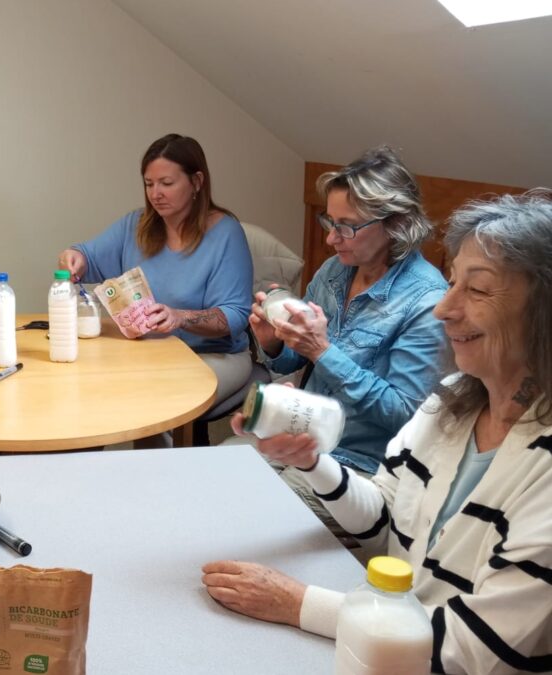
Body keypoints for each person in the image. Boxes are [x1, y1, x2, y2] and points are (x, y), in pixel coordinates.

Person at [203, 191, 552, 675]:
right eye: (453, 283)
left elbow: (474, 651)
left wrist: (297, 603)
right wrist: (313, 462)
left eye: (476, 290)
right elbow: (384, 525)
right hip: (384, 640)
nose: (443, 309)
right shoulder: (451, 403)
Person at [246, 146, 447, 544]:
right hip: (300, 439)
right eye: (329, 221)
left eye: (347, 226)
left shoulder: (427, 302)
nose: (330, 237)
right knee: (210, 492)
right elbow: (291, 362)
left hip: (358, 466)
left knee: (248, 523)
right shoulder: (336, 270)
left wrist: (323, 351)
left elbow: (406, 416)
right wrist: (273, 345)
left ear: (397, 223)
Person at [58, 133, 254, 408]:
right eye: (149, 184)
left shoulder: (226, 234)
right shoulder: (136, 224)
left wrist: (180, 317)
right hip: (150, 352)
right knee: (86, 388)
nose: (155, 194)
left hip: (212, 356)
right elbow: (87, 256)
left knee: (154, 399)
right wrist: (73, 257)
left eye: (167, 183)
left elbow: (234, 316)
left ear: (197, 181)